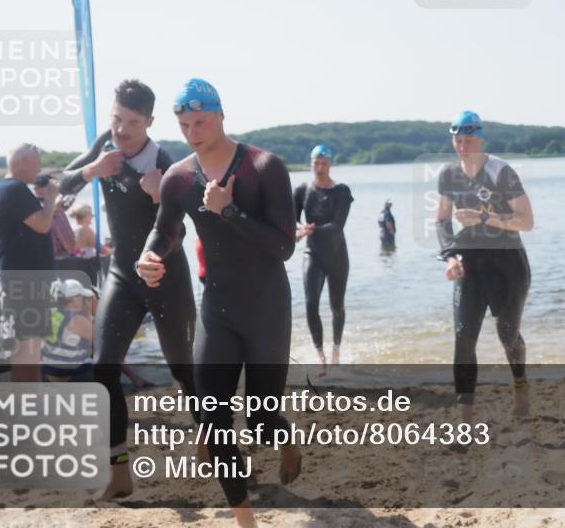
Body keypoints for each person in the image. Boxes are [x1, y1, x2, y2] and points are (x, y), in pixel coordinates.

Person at [137, 78, 301, 527]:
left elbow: (284, 246)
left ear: (221, 114)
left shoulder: (265, 167)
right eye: (184, 123)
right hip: (218, 306)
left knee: (262, 421)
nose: (192, 130)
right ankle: (244, 518)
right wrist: (150, 255)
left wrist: (229, 212)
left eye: (200, 120)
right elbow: (166, 229)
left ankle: (282, 436)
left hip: (266, 307)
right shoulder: (180, 177)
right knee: (210, 417)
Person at [58, 79, 199, 500]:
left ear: (149, 122)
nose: (120, 130)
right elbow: (60, 184)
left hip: (164, 276)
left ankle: (211, 433)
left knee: (183, 372)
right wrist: (92, 170)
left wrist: (159, 197)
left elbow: (183, 225)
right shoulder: (106, 144)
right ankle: (119, 472)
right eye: (117, 118)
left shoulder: (166, 162)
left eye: (131, 123)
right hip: (122, 274)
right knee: (104, 368)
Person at [436, 111, 534, 423]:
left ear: (480, 139)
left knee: (508, 336)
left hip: (508, 266)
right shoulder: (448, 175)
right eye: (457, 140)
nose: (462, 145)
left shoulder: (500, 170)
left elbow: (526, 222)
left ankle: (519, 385)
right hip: (470, 265)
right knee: (464, 336)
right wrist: (450, 257)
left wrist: (484, 218)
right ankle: (464, 417)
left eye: (468, 139)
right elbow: (441, 221)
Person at [0, 144, 58, 383]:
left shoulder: (6, 188)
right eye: (37, 162)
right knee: (28, 352)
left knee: (26, 351)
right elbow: (42, 225)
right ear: (22, 162)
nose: (40, 168)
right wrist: (50, 199)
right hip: (24, 282)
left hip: (20, 280)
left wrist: (49, 206)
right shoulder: (15, 189)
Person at [294, 145, 353, 372]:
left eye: (324, 163)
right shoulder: (302, 190)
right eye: (316, 163)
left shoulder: (341, 191)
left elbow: (337, 226)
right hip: (313, 254)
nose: (319, 168)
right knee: (310, 305)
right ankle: (321, 357)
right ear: (311, 164)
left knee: (337, 306)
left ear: (330, 164)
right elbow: (291, 218)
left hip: (338, 256)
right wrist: (298, 229)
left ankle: (336, 351)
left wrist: (309, 229)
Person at [42, 278, 96, 382]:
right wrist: (92, 310)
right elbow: (100, 345)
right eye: (82, 296)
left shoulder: (52, 313)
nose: (85, 300)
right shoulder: (78, 320)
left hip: (48, 369)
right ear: (74, 299)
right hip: (70, 373)